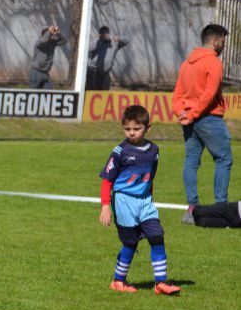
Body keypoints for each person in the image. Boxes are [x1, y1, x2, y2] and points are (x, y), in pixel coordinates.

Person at [98, 105, 180, 295]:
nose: (131, 133)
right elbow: (107, 180)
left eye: (136, 129)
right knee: (130, 243)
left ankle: (160, 283)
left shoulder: (154, 150)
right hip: (124, 201)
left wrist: (149, 198)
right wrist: (105, 206)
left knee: (157, 236)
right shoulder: (120, 151)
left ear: (148, 127)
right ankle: (118, 281)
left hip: (145, 201)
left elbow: (150, 176)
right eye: (127, 129)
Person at [172, 23, 233, 224]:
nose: (224, 45)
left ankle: (192, 209)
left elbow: (177, 94)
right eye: (223, 41)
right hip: (208, 118)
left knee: (191, 161)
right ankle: (221, 208)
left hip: (189, 119)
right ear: (215, 41)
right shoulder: (214, 62)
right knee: (223, 159)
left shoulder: (186, 64)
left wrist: (182, 112)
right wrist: (194, 113)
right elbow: (210, 93)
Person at [86, 26, 129, 90]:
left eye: (107, 33)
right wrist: (89, 64)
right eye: (104, 33)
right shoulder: (97, 43)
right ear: (100, 35)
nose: (107, 35)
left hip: (105, 73)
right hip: (94, 72)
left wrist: (119, 38)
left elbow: (127, 41)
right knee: (92, 92)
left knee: (104, 94)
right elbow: (86, 51)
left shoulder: (114, 43)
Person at [29, 25, 66, 89]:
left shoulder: (52, 43)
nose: (52, 37)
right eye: (50, 35)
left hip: (45, 73)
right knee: (34, 93)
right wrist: (49, 32)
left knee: (48, 92)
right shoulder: (39, 43)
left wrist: (59, 33)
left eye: (52, 35)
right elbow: (43, 41)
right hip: (36, 71)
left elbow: (64, 41)